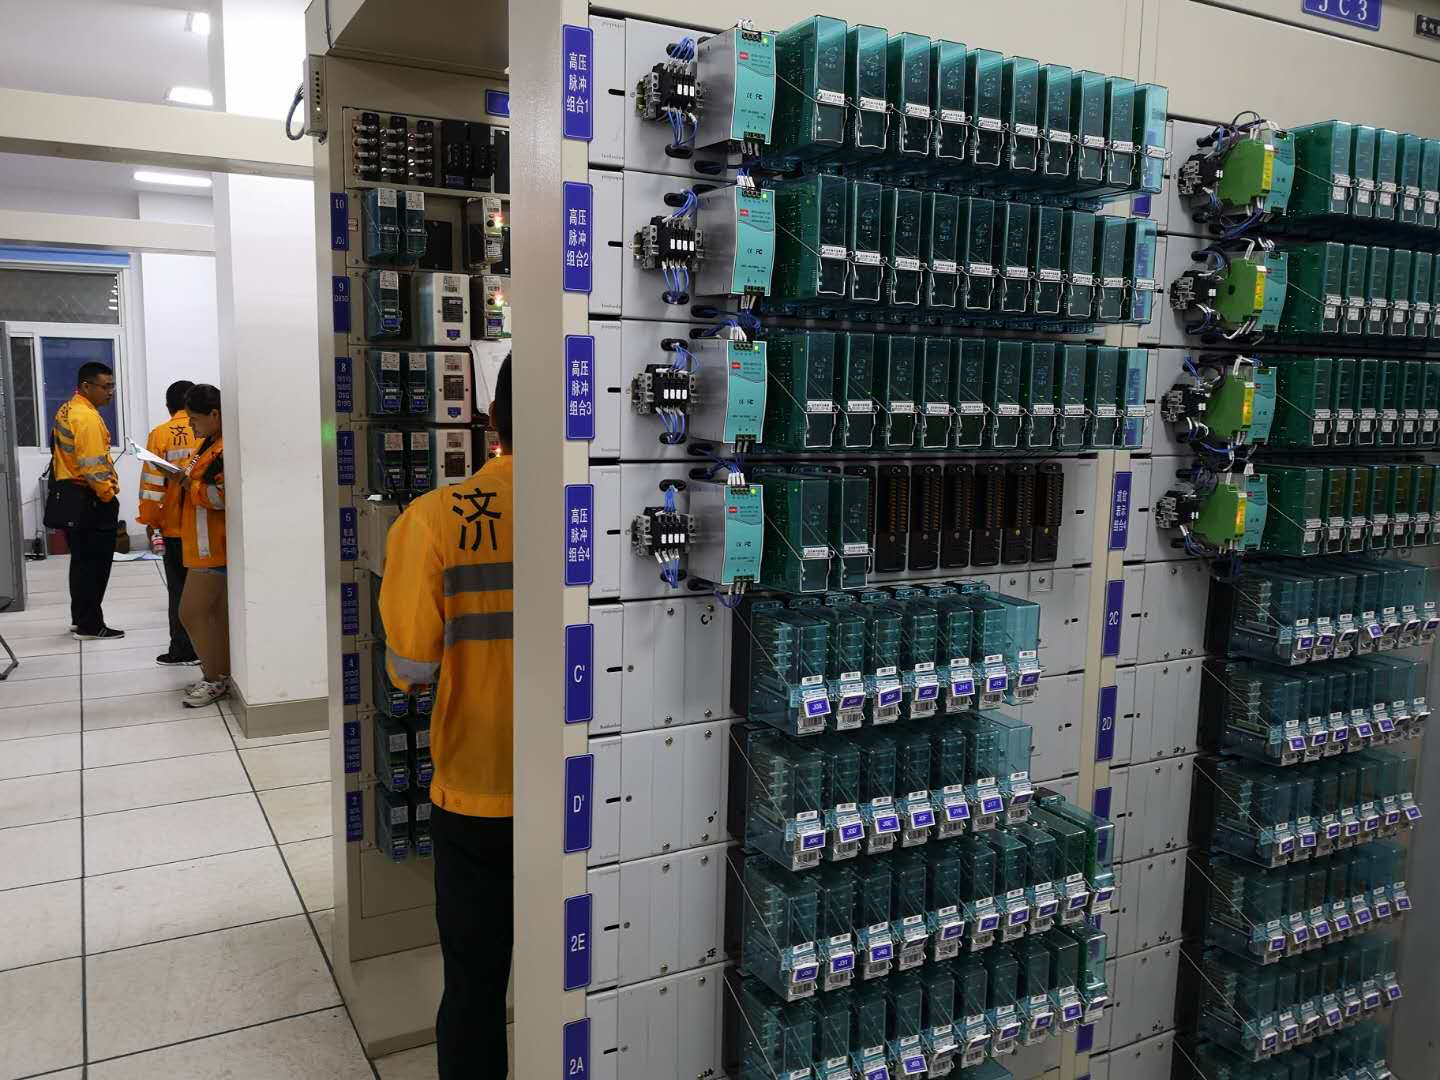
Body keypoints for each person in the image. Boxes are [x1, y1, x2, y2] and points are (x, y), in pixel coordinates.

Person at [380, 355, 513, 1079]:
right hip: (594, 784)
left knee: (475, 977)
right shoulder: (606, 511)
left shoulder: (434, 518)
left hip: (480, 786)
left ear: (492, 419)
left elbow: (412, 666)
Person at [52, 361, 124, 641]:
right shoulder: (86, 417)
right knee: (95, 565)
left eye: (112, 386)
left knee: (81, 562)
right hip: (91, 498)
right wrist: (108, 496)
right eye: (105, 386)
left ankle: (80, 618)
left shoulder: (68, 408)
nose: (111, 392)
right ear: (86, 386)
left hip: (72, 496)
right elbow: (92, 465)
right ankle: (91, 626)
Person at [137, 379, 199, 666]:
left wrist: (150, 521)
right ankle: (211, 648)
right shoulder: (212, 432)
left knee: (179, 588)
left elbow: (152, 485)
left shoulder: (160, 434)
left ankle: (183, 649)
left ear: (168, 406)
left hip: (174, 525)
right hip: (207, 524)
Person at [176, 384, 230, 707]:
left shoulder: (224, 450)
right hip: (202, 542)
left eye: (195, 419)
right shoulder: (208, 443)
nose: (191, 425)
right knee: (215, 616)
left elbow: (221, 497)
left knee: (191, 612)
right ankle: (220, 675)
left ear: (215, 414)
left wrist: (190, 486)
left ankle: (214, 679)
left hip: (214, 545)